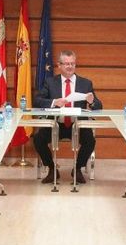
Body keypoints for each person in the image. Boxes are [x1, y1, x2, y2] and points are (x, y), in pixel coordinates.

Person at [32, 49, 103, 184]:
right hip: (56, 124)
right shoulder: (50, 82)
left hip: (77, 125)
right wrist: (54, 102)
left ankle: (77, 169)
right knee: (38, 139)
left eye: (72, 64)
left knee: (90, 141)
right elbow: (37, 101)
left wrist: (91, 101)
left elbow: (99, 106)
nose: (70, 67)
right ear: (59, 65)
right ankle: (52, 169)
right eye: (66, 64)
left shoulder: (85, 83)